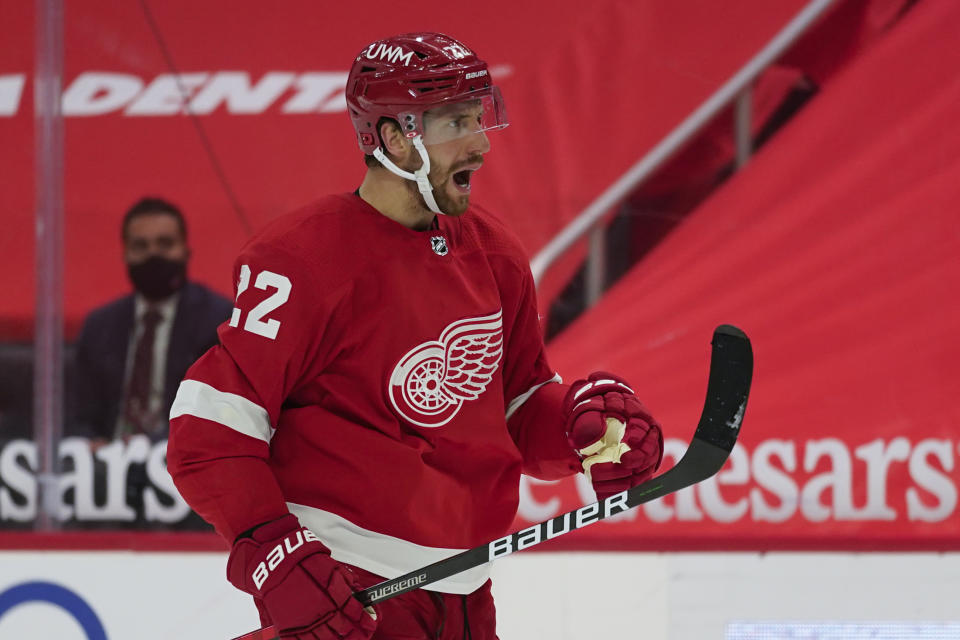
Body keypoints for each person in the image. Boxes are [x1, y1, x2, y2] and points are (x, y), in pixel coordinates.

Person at [167, 33, 664, 640]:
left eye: (478, 118)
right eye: (456, 122)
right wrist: (272, 548)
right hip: (350, 591)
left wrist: (582, 427)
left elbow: (514, 407)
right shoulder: (302, 259)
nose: (481, 145)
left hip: (466, 590)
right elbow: (211, 428)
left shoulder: (496, 254)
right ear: (395, 138)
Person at [70, 197, 233, 444]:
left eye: (165, 244)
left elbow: (220, 412)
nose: (153, 254)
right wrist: (89, 443)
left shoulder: (218, 320)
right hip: (107, 463)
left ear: (186, 250)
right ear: (125, 254)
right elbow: (77, 414)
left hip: (180, 459)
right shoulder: (99, 326)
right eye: (140, 246)